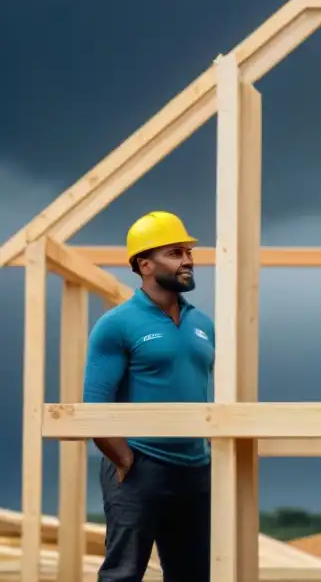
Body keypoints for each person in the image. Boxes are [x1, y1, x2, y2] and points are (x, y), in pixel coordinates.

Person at [82, 211, 213, 582]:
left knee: (193, 576)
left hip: (194, 471)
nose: (188, 260)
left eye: (187, 251)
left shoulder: (204, 325)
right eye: (175, 252)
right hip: (140, 467)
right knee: (123, 574)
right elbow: (95, 404)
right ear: (144, 264)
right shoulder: (117, 324)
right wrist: (125, 460)